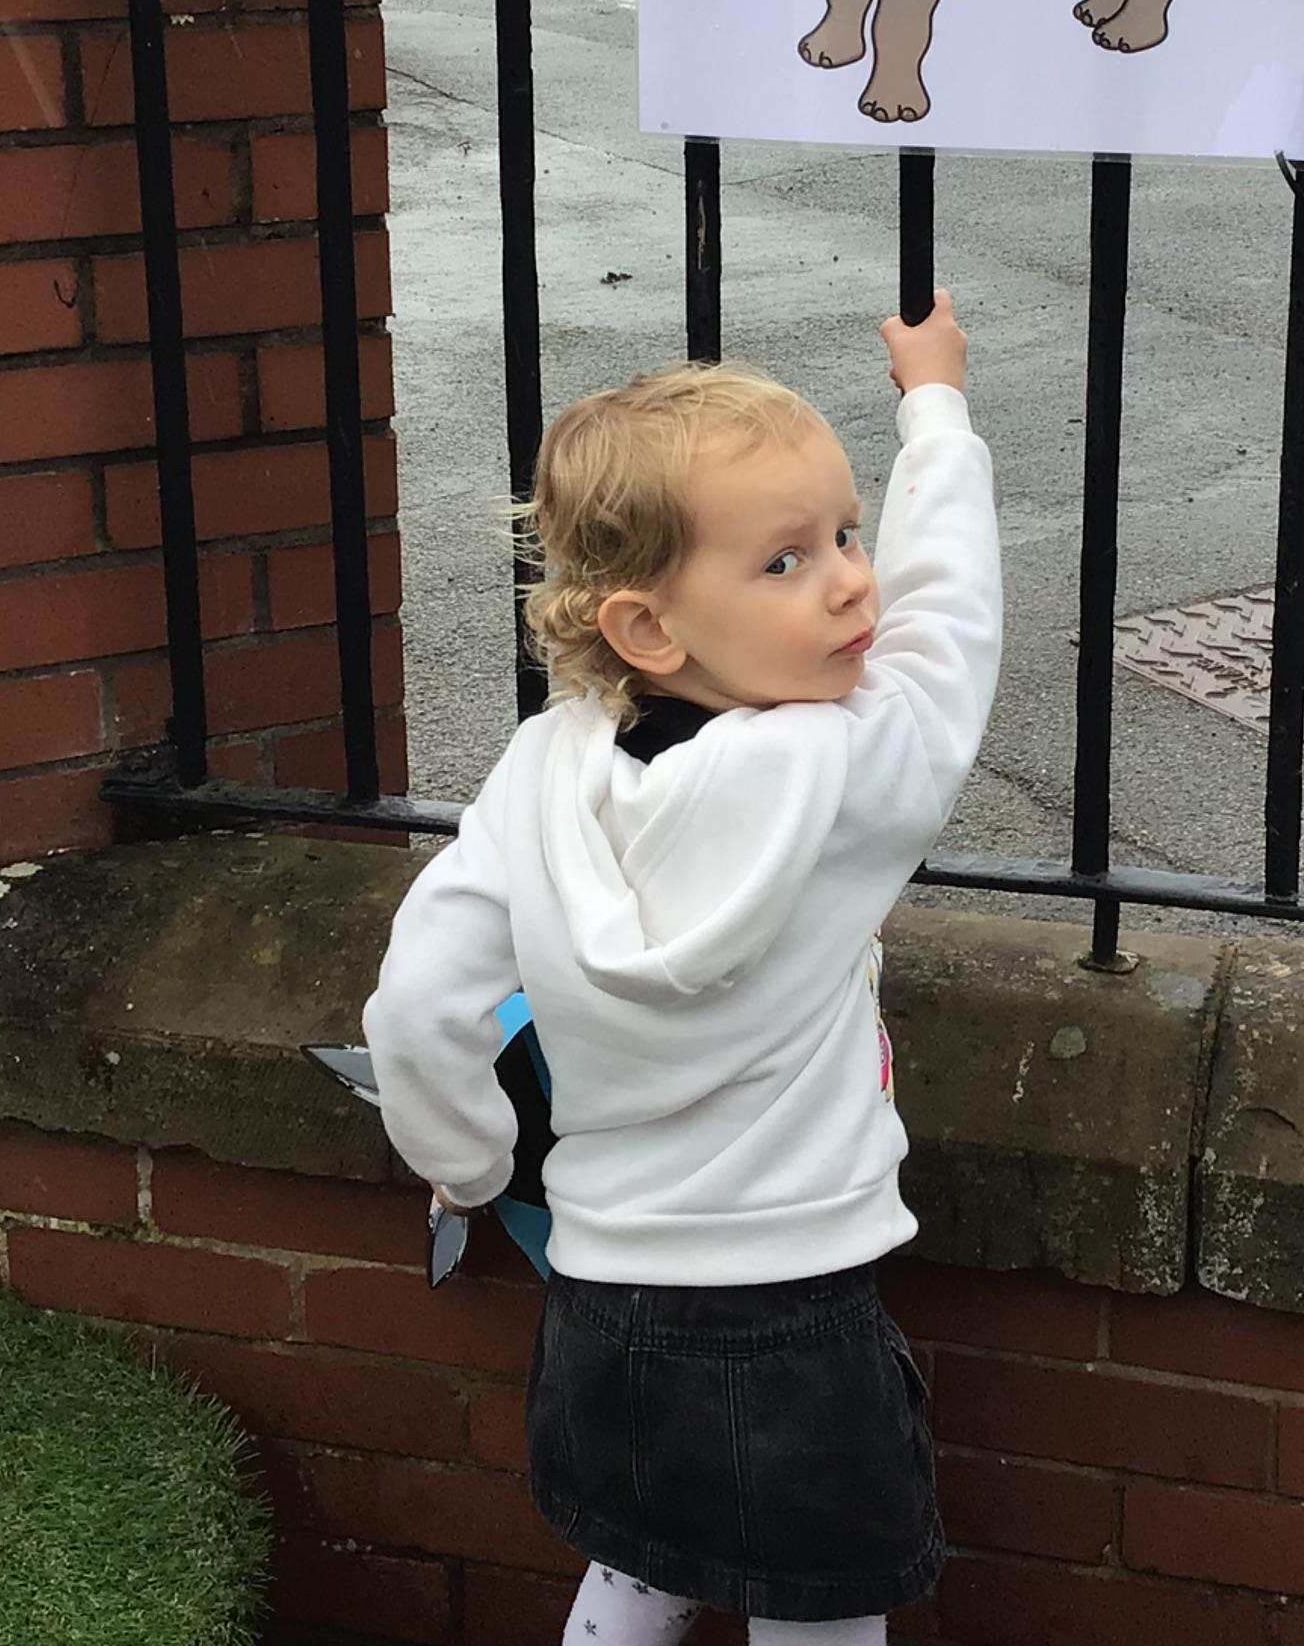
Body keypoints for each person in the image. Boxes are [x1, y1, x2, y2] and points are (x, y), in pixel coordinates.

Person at [361, 291, 1001, 1646]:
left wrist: (470, 1163)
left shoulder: (543, 771)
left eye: (846, 533)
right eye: (785, 561)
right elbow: (952, 626)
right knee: (820, 1611)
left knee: (643, 1564)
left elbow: (418, 1001)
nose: (853, 580)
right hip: (794, 1303)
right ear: (650, 628)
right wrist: (934, 408)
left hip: (603, 1293)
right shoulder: (847, 768)